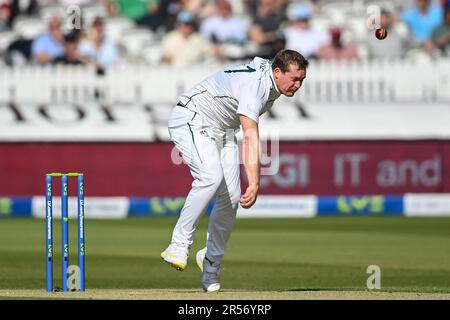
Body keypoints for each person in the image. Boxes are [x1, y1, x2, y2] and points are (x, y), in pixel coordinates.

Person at [160, 49, 308, 292]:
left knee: (231, 198)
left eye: (302, 80)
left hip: (223, 130)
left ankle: (211, 265)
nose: (298, 85)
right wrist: (255, 181)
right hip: (191, 118)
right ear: (278, 72)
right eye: (294, 79)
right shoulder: (256, 87)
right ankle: (178, 244)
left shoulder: (273, 81)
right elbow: (250, 135)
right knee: (210, 177)